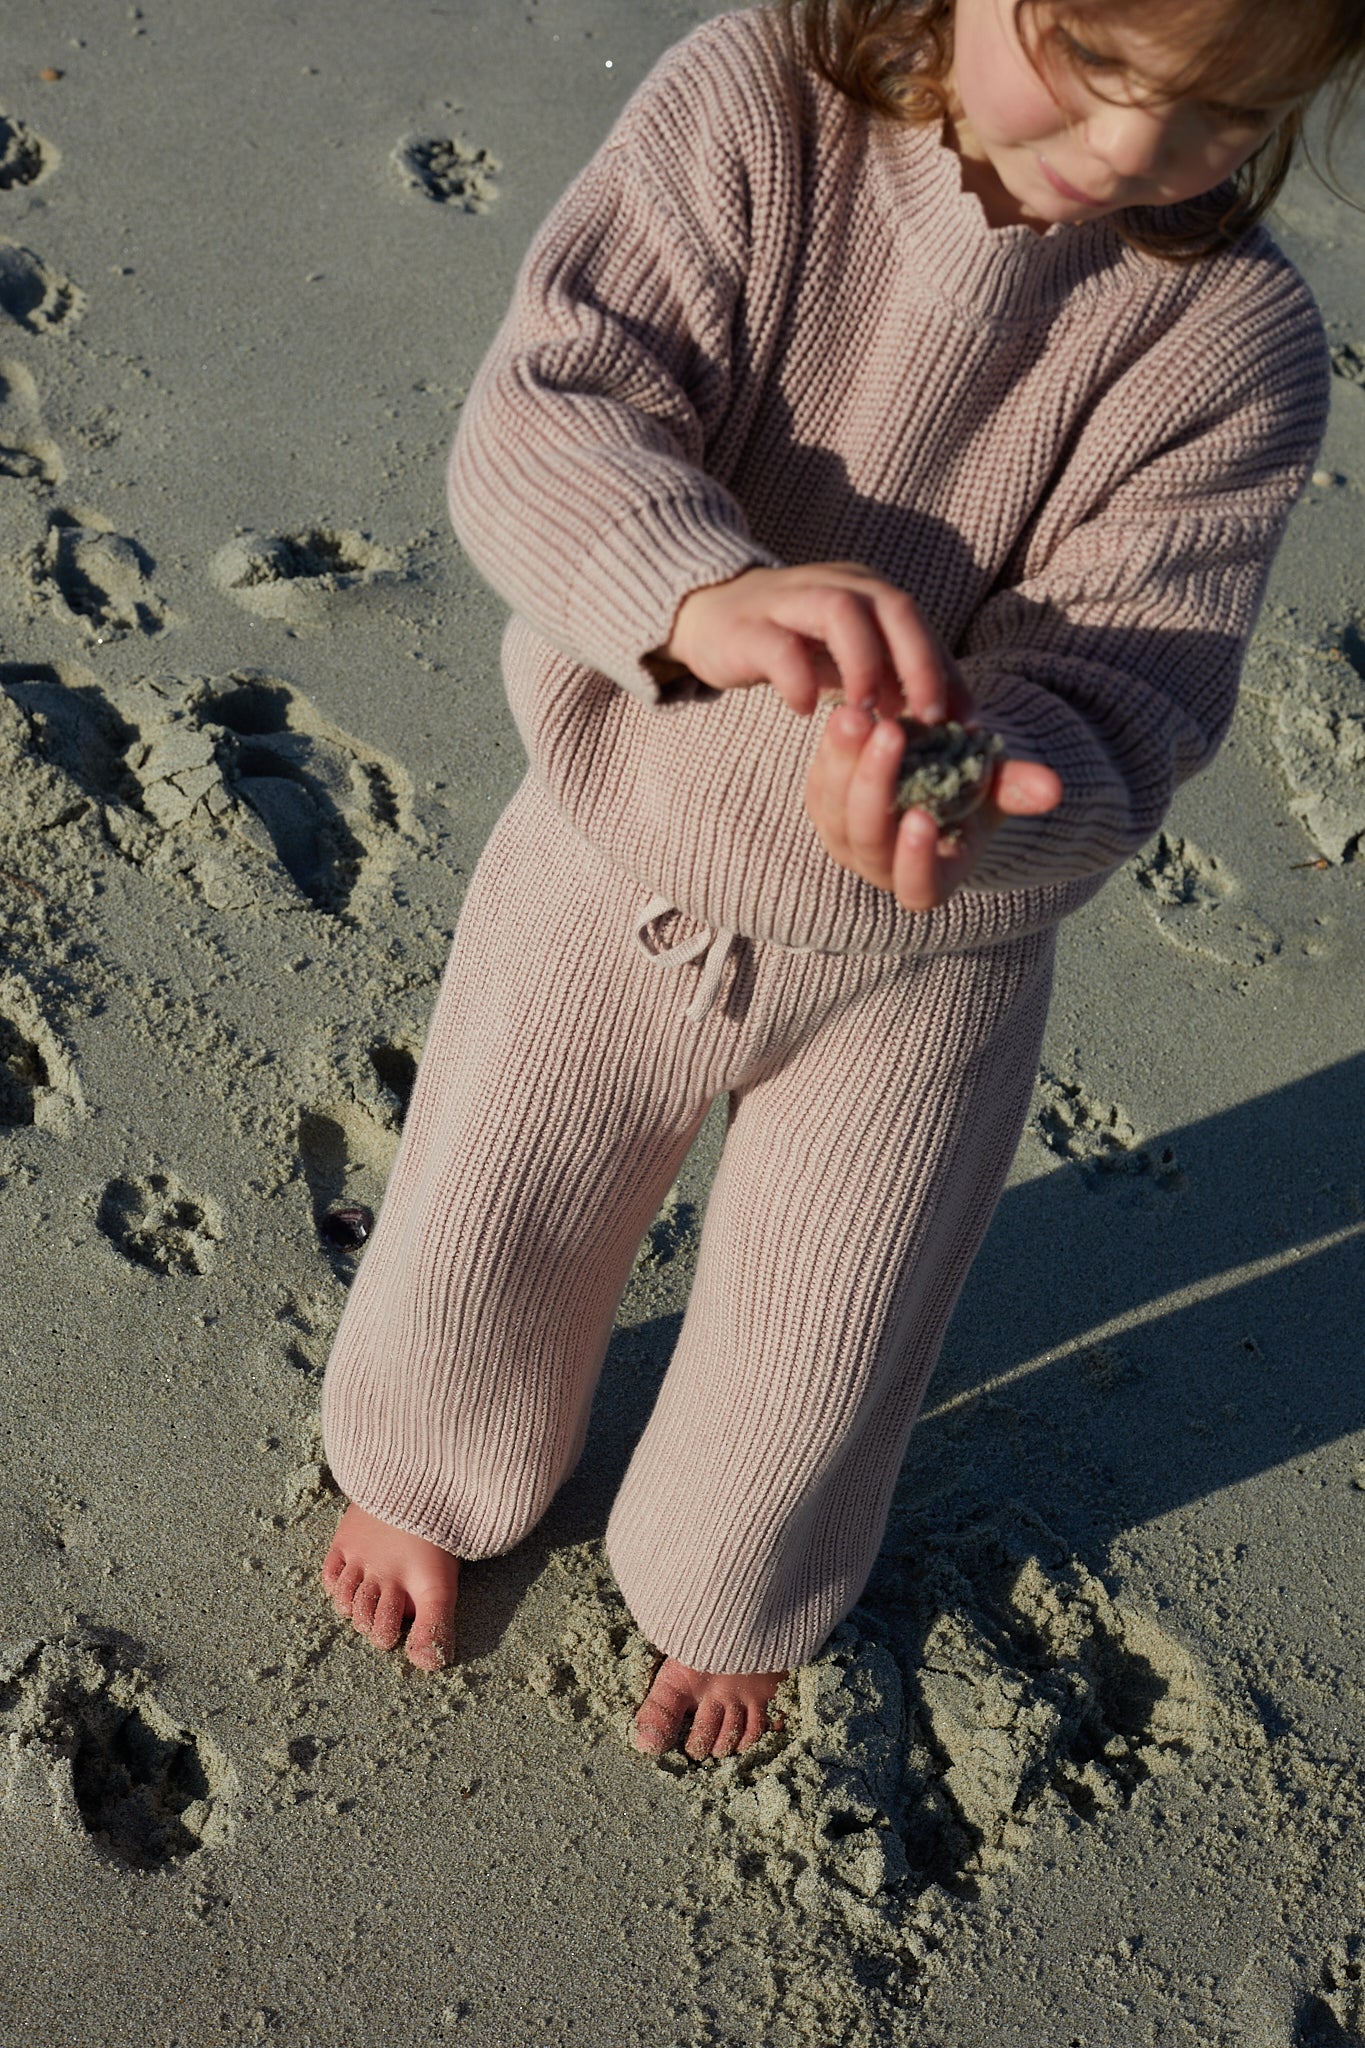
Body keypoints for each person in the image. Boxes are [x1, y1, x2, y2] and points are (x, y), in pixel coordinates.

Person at [320, 0, 1356, 1761]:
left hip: (924, 960)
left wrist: (958, 796)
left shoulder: (1234, 347)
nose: (1131, 148)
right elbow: (544, 411)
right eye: (1094, 62)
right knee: (487, 1223)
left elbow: (1132, 697)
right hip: (616, 846)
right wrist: (694, 595)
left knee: (817, 1348)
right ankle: (426, 1475)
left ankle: (734, 1590)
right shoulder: (757, 113)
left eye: (1220, 111)